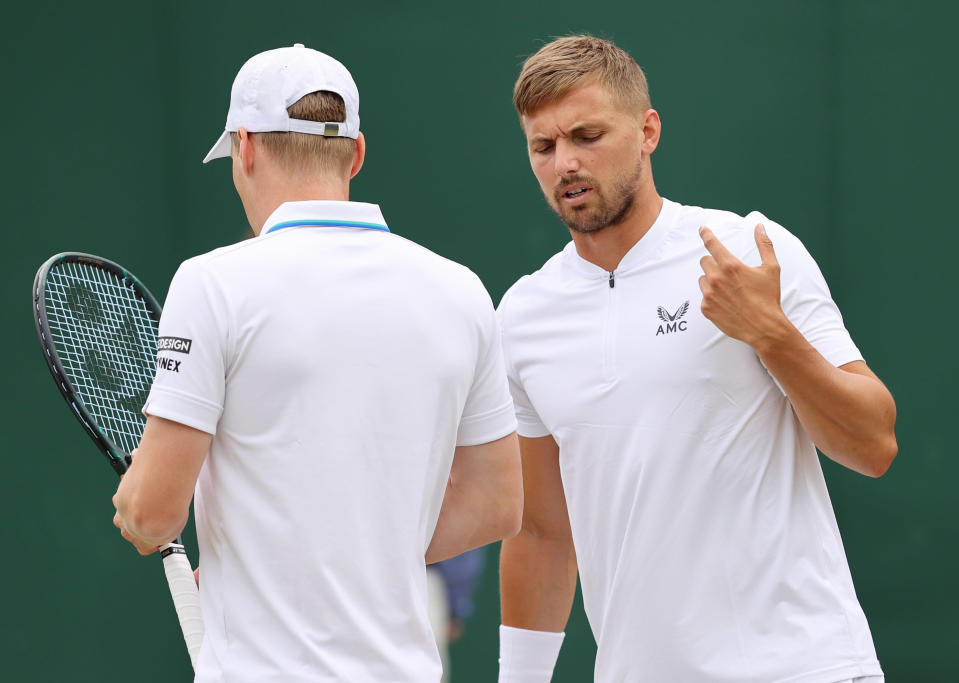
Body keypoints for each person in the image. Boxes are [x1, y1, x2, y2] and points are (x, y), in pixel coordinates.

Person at [111, 43, 523, 683]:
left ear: (244, 148)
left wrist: (143, 509)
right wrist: (365, 560)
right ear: (355, 153)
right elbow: (498, 504)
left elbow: (151, 515)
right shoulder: (462, 290)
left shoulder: (211, 284)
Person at [496, 35, 897, 683]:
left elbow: (873, 442)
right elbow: (542, 531)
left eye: (586, 135)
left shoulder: (749, 251)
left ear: (647, 130)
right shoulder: (521, 314)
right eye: (543, 146)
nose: (564, 161)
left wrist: (771, 334)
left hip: (803, 667)